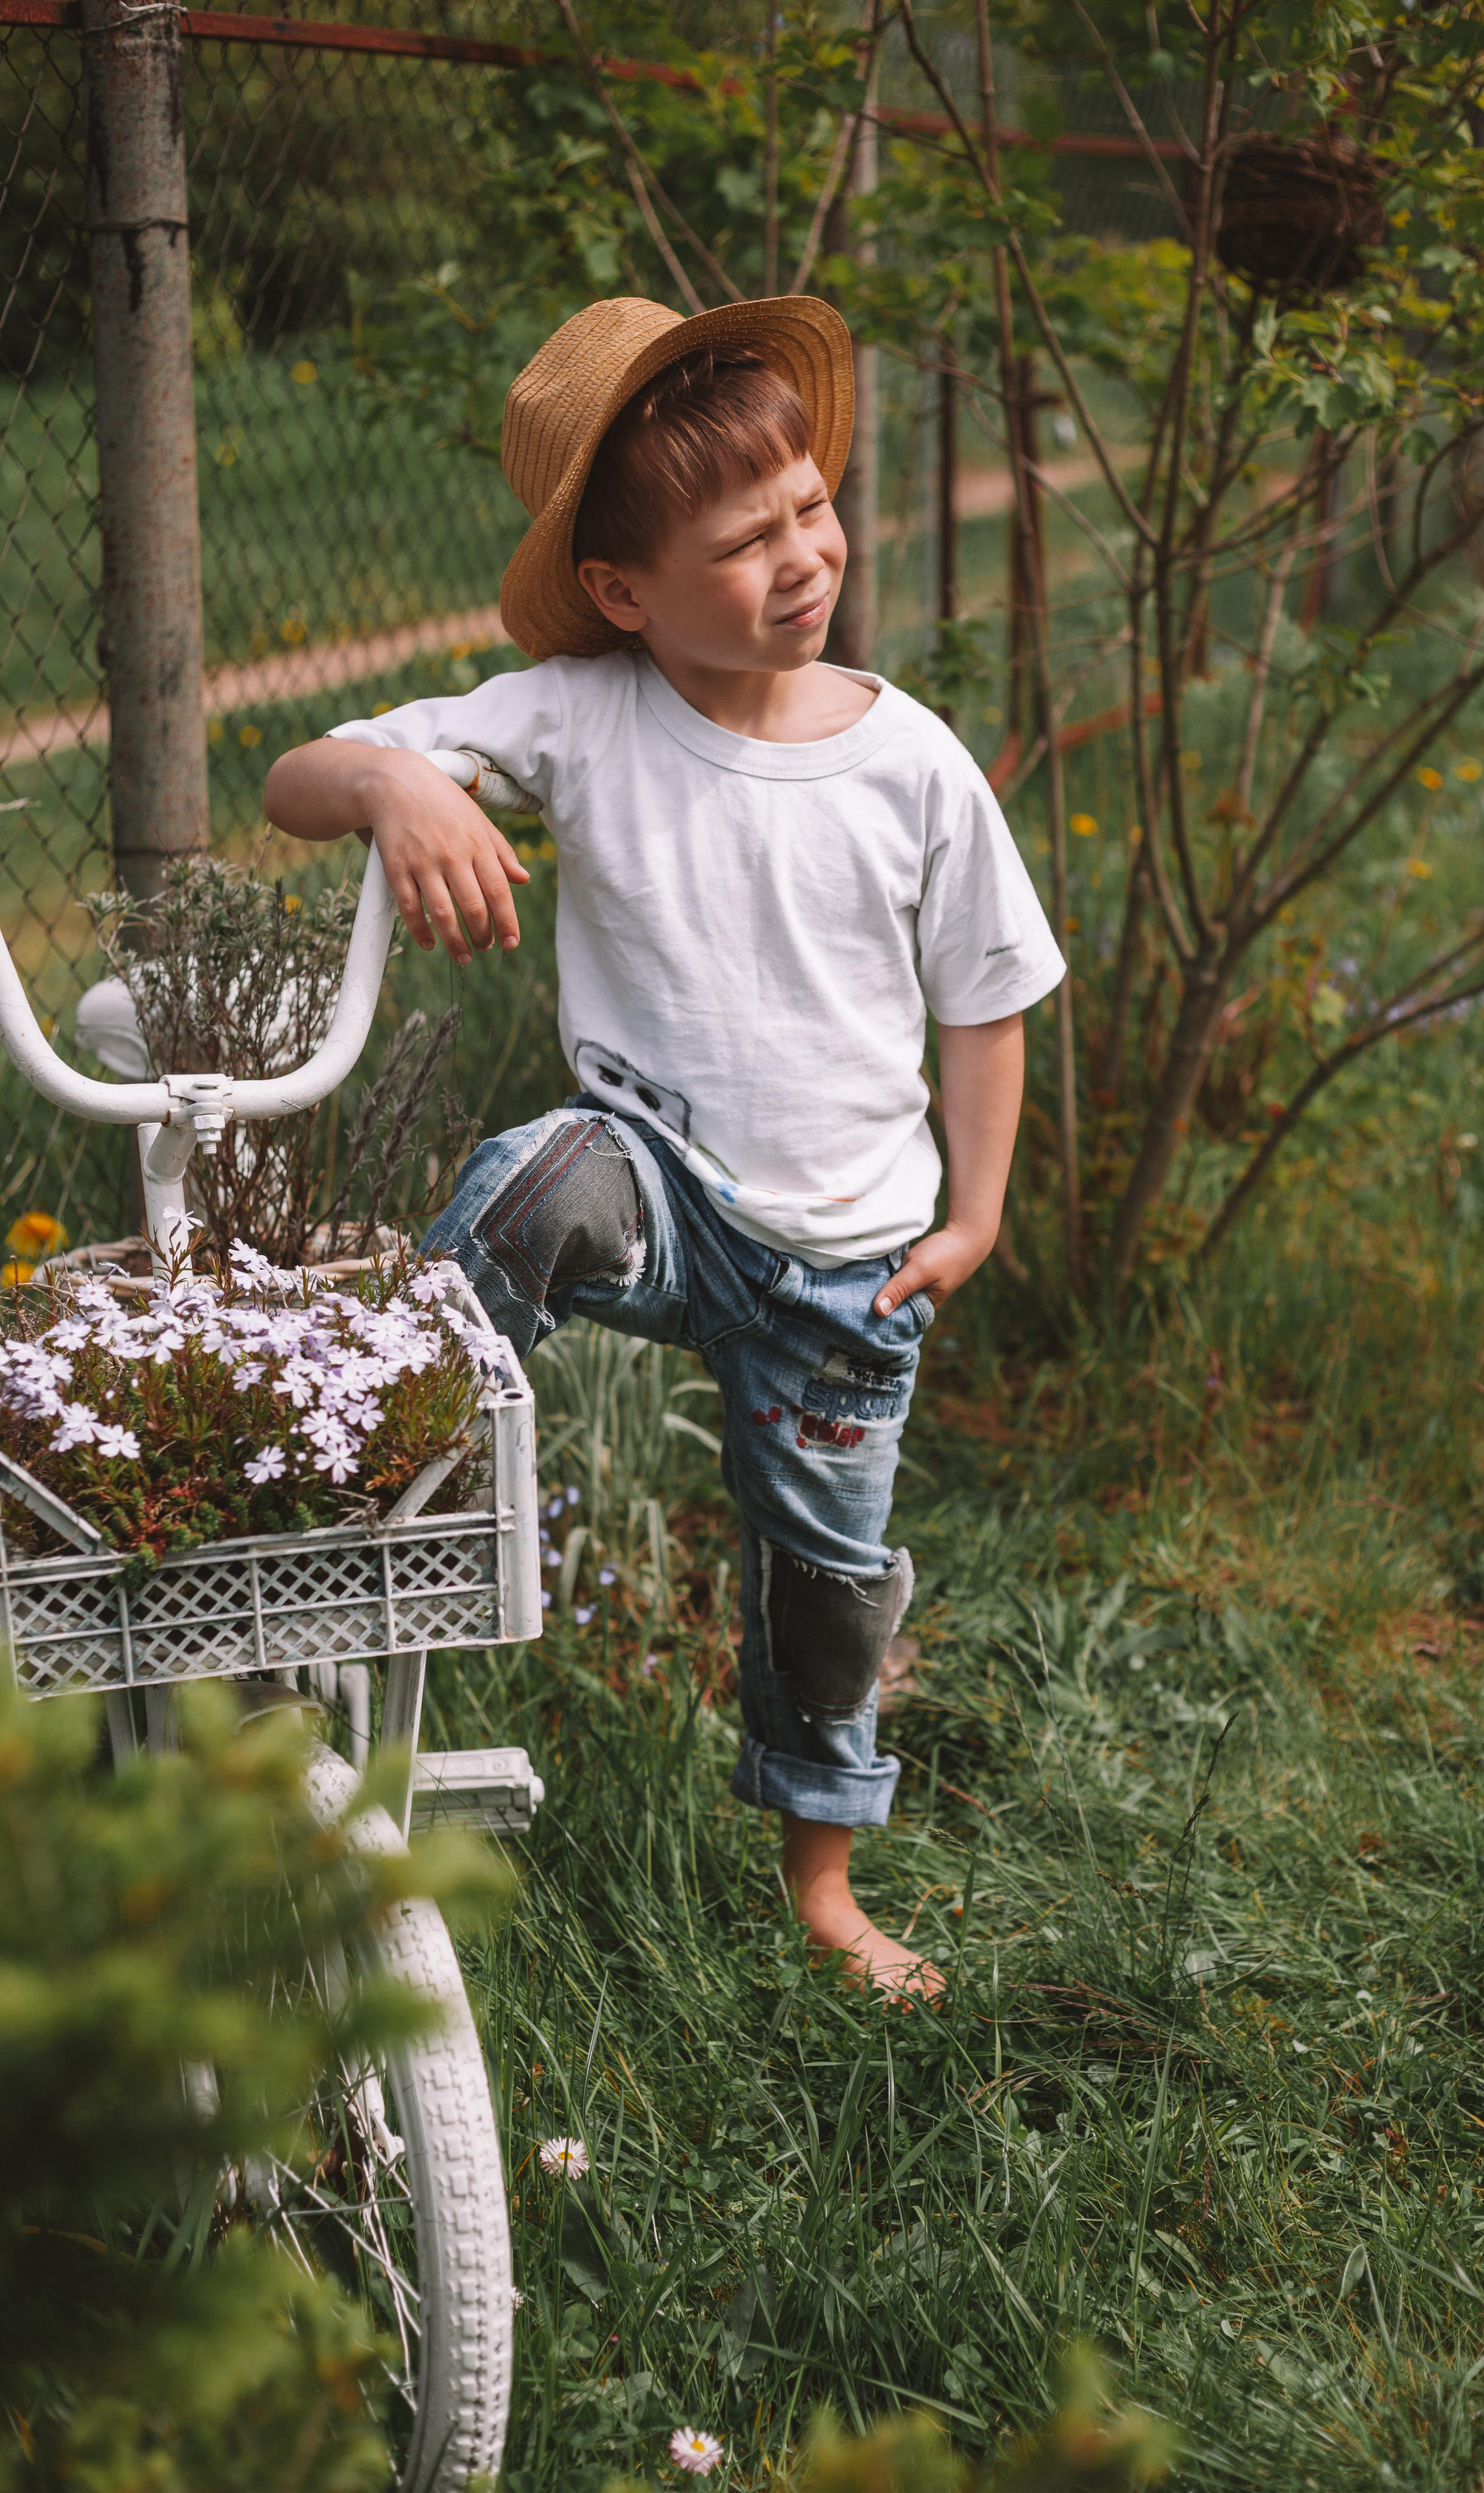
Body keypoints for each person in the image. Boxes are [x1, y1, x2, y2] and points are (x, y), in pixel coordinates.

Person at [266, 293, 1063, 1998]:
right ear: (624, 592)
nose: (802, 558)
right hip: (659, 1196)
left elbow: (988, 999)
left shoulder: (911, 765)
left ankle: (825, 1890)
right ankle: (367, 1459)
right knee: (535, 1181)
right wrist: (400, 787)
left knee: (828, 1593)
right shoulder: (581, 714)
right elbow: (293, 775)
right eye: (744, 542)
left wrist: (977, 1217)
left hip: (852, 1261)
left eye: (810, 510)